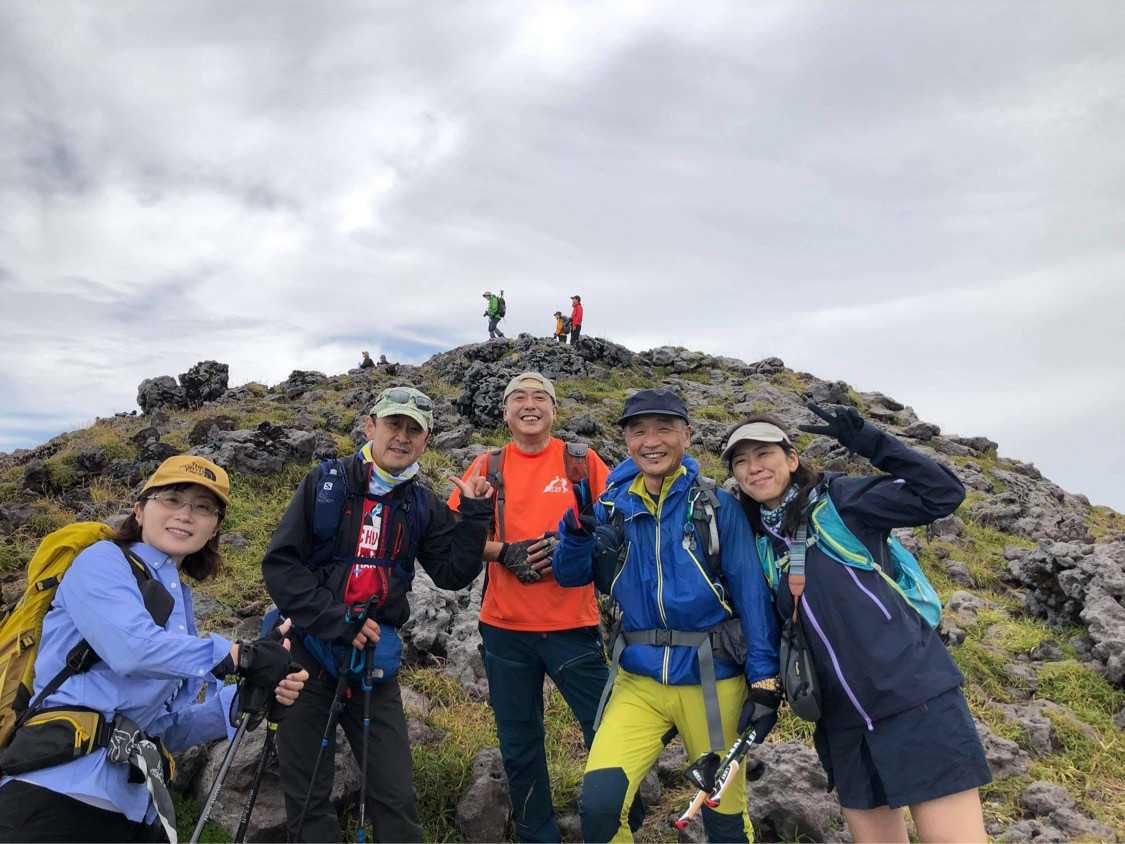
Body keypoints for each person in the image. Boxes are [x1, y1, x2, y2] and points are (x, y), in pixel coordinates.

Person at [0, 455, 308, 843]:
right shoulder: (100, 561)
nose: (185, 515)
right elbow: (132, 650)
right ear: (139, 510)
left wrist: (245, 697)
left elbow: (164, 729)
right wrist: (240, 656)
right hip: (51, 797)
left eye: (202, 507)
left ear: (214, 528)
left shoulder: (181, 605)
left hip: (134, 811)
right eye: (171, 499)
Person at [722, 406, 989, 844]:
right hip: (843, 725)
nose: (754, 467)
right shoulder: (759, 544)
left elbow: (942, 493)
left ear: (792, 459)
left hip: (915, 703)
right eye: (741, 460)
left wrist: (870, 441)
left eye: (764, 453)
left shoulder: (842, 501)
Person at [262, 386, 494, 843]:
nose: (402, 437)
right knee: (307, 797)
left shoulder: (421, 503)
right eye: (393, 425)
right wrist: (338, 619)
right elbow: (281, 565)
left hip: (371, 662)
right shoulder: (325, 484)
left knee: (395, 794)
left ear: (426, 441)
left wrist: (474, 516)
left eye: (414, 430)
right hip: (306, 655)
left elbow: (451, 573)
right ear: (371, 427)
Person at [553, 389, 780, 843]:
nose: (651, 441)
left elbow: (752, 597)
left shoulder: (717, 507)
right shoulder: (613, 507)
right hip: (638, 682)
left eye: (664, 429)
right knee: (599, 807)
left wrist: (765, 681)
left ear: (687, 435)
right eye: (639, 431)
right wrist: (575, 534)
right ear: (627, 440)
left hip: (713, 681)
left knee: (723, 817)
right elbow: (570, 575)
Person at [448, 371, 635, 842]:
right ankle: (537, 833)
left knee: (606, 732)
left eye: (539, 398)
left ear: (554, 410)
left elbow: (619, 523)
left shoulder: (581, 461)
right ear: (504, 412)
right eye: (518, 398)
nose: (529, 405)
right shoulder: (486, 466)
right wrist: (505, 551)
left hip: (573, 626)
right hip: (505, 630)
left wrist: (573, 547)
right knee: (518, 742)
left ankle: (614, 827)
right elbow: (458, 537)